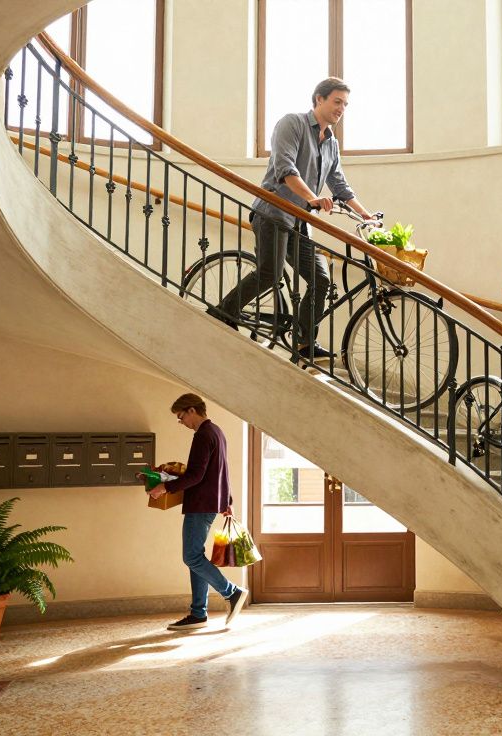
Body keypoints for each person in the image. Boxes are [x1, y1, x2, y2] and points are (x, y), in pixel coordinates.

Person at [214, 77, 378, 360]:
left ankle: (303, 343)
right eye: (337, 101)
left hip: (300, 221)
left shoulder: (332, 144)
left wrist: (364, 214)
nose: (341, 109)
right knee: (270, 273)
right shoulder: (292, 124)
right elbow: (285, 168)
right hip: (273, 211)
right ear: (318, 99)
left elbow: (339, 184)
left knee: (321, 279)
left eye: (345, 104)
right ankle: (222, 312)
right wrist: (312, 198)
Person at [149, 393, 248, 630]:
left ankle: (231, 592)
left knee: (191, 557)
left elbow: (196, 476)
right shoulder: (217, 431)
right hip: (209, 503)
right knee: (196, 557)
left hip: (201, 504)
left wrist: (165, 487)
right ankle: (198, 613)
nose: (181, 422)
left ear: (192, 410)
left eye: (181, 416)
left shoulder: (203, 435)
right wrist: (227, 500)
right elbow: (222, 470)